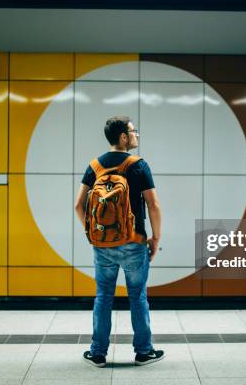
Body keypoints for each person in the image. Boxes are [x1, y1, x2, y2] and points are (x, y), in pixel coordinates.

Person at [74, 116, 165, 367]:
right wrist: (155, 238)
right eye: (134, 132)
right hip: (134, 243)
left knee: (103, 296)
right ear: (123, 137)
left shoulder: (94, 166)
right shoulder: (139, 165)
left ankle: (98, 353)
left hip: (102, 246)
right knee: (137, 296)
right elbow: (154, 205)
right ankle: (144, 352)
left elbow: (78, 205)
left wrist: (93, 233)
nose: (136, 135)